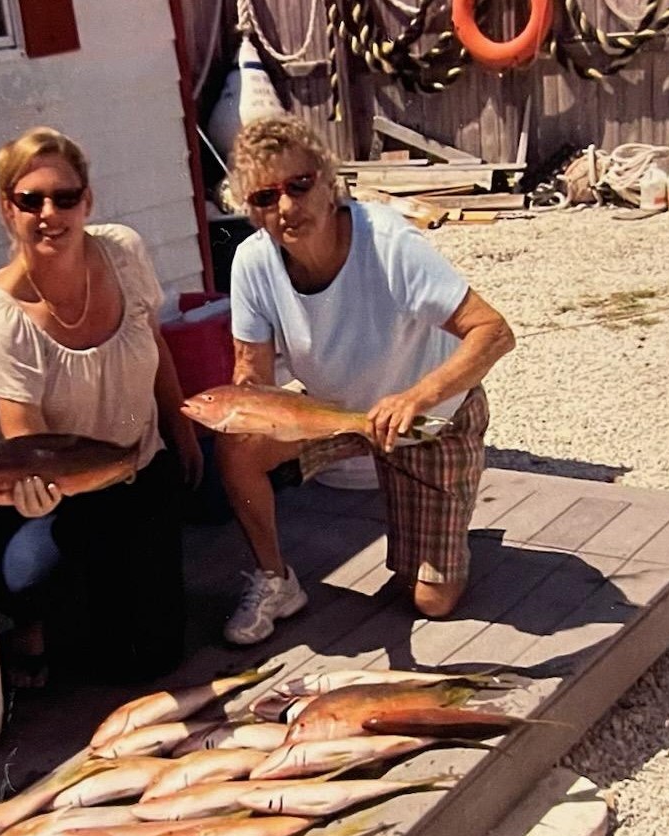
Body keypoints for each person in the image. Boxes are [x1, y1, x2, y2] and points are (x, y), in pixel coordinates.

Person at [216, 115, 515, 646]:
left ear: (328, 180)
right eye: (265, 197)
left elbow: (494, 332)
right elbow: (252, 374)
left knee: (430, 601)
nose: (285, 207)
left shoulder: (389, 242)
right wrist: (246, 411)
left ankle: (448, 522)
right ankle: (275, 579)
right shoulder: (252, 262)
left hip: (428, 419)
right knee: (237, 444)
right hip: (336, 410)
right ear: (251, 209)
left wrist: (417, 396)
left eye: (298, 185)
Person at [0, 126, 202, 687]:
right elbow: (27, 442)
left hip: (141, 469)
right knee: (63, 615)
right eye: (31, 200)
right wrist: (42, 495)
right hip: (67, 497)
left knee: (157, 655)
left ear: (87, 201)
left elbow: (155, 343)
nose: (50, 213)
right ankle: (33, 620)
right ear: (8, 209)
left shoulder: (123, 251)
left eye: (65, 197)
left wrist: (183, 432)